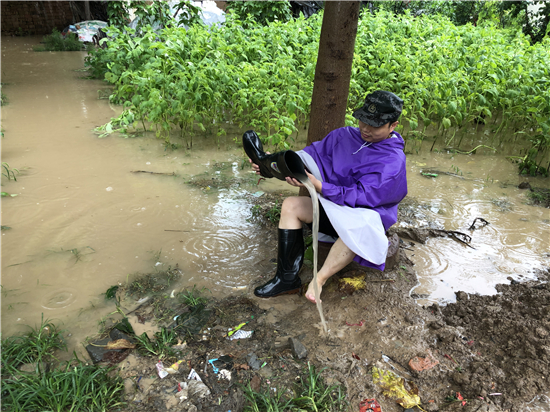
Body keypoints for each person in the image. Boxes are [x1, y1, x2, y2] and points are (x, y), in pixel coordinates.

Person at [249, 90, 408, 303]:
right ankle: (286, 279)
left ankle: (320, 279)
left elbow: (362, 196)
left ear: (393, 125)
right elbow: (310, 157)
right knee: (291, 205)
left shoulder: (393, 160)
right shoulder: (343, 136)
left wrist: (319, 186)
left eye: (375, 125)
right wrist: (274, 165)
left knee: (361, 224)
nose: (365, 128)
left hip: (361, 218)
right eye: (363, 120)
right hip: (332, 208)